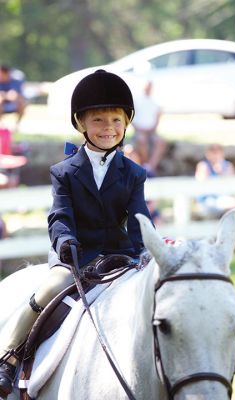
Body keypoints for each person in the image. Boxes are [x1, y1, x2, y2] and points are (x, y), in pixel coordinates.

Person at [0, 69, 152, 397]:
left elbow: (139, 217)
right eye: (98, 120)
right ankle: (9, 357)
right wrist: (65, 241)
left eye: (115, 120)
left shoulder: (134, 173)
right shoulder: (64, 172)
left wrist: (144, 250)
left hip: (119, 255)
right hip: (75, 255)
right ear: (81, 124)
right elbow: (60, 216)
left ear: (126, 123)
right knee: (46, 292)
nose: (108, 128)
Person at [195, 143, 235, 218]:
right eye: (212, 151)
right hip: (208, 199)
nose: (215, 154)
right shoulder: (204, 165)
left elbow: (231, 183)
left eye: (218, 151)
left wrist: (221, 171)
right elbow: (201, 183)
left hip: (224, 198)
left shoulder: (227, 165)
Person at [132, 80, 166, 177]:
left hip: (151, 131)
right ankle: (146, 166)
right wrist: (140, 129)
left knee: (160, 142)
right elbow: (131, 119)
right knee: (142, 140)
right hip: (139, 130)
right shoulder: (137, 101)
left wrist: (152, 128)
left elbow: (157, 117)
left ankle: (150, 167)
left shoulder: (154, 102)